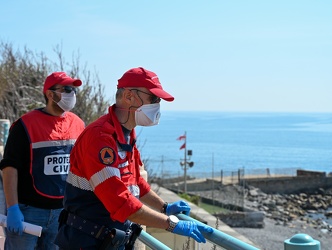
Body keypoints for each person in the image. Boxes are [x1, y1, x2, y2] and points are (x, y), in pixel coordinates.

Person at [55, 67, 213, 249]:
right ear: (129, 96)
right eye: (153, 99)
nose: (157, 105)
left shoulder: (126, 134)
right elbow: (120, 202)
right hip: (85, 240)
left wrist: (164, 207)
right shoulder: (99, 137)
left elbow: (135, 182)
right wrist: (171, 223)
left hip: (111, 239)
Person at [0, 72, 85, 249]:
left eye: (74, 90)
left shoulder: (78, 124)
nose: (72, 94)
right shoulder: (25, 124)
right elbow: (10, 168)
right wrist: (13, 208)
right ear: (50, 94)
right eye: (67, 89)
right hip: (28, 212)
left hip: (63, 213)